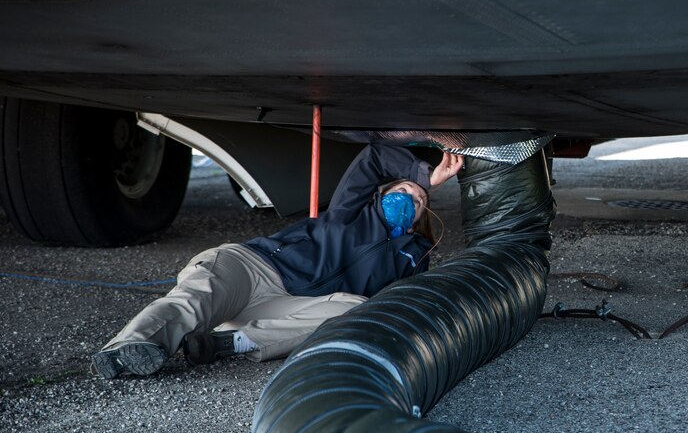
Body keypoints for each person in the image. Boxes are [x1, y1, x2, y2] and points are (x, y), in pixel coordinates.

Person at [91, 143, 463, 379]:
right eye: (403, 191)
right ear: (381, 194)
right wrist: (424, 177)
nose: (410, 199)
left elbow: (403, 303)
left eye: (417, 201)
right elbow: (374, 156)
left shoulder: (411, 256)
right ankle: (128, 348)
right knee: (196, 296)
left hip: (284, 311)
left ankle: (228, 344)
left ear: (419, 220)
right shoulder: (351, 211)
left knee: (357, 308)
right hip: (253, 268)